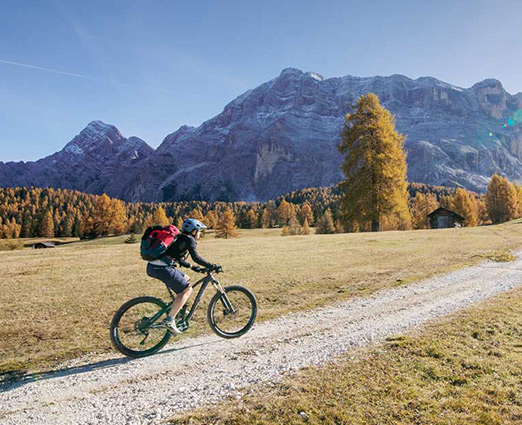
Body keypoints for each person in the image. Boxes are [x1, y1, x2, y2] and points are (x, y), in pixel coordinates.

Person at [146, 218, 221, 334]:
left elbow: (178, 258)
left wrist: (192, 267)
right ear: (194, 231)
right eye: (199, 231)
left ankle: (179, 309)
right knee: (187, 290)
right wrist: (213, 266)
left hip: (154, 266)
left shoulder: (180, 238)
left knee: (186, 278)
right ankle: (169, 320)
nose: (200, 233)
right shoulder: (190, 240)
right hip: (161, 268)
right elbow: (196, 257)